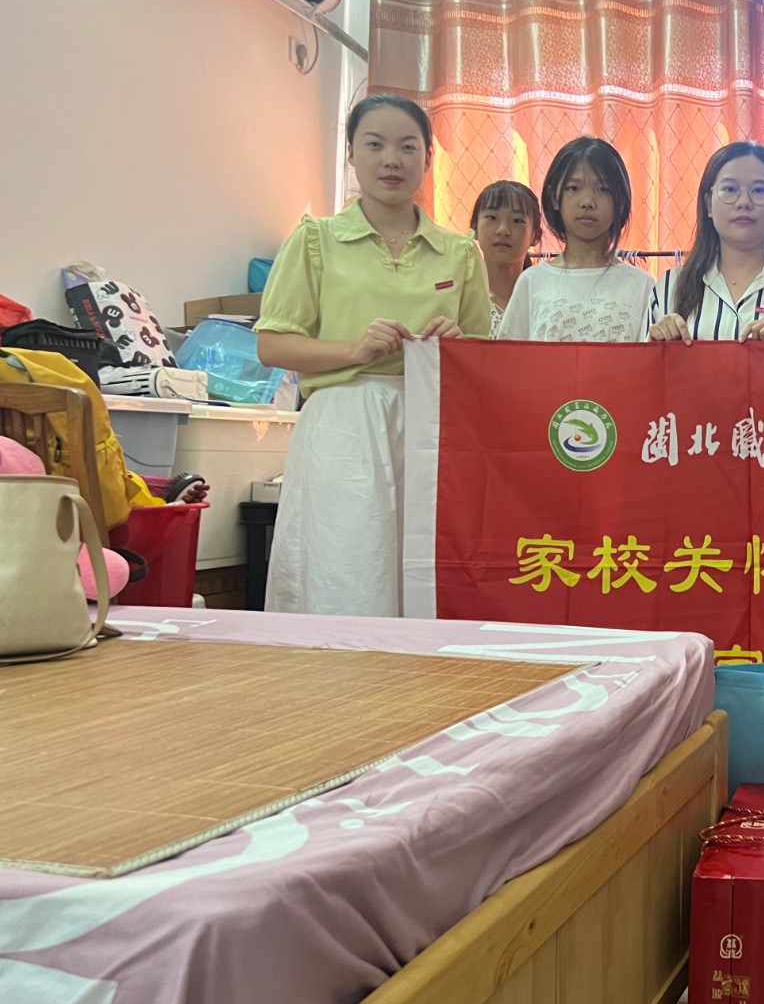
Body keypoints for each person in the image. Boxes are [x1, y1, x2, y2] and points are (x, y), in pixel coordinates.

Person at [255, 93, 490, 617]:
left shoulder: (459, 252)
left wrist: (457, 346)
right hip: (343, 425)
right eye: (375, 145)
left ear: (428, 158)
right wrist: (355, 349)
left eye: (408, 147)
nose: (392, 160)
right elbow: (272, 345)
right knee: (345, 565)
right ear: (351, 154)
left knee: (424, 570)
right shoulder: (316, 240)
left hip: (433, 430)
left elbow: (484, 362)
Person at [643, 142, 764, 343]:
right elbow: (643, 362)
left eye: (759, 190)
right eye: (730, 189)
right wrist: (657, 347)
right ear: (709, 204)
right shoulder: (669, 286)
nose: (744, 202)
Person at [498, 138, 653, 342]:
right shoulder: (532, 281)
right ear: (554, 197)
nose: (587, 202)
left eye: (603, 189)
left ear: (621, 202)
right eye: (573, 188)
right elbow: (508, 358)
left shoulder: (642, 286)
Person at [470, 180, 541, 336]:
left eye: (517, 220)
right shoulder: (461, 300)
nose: (503, 230)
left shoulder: (544, 302)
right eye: (492, 217)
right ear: (474, 227)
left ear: (535, 235)